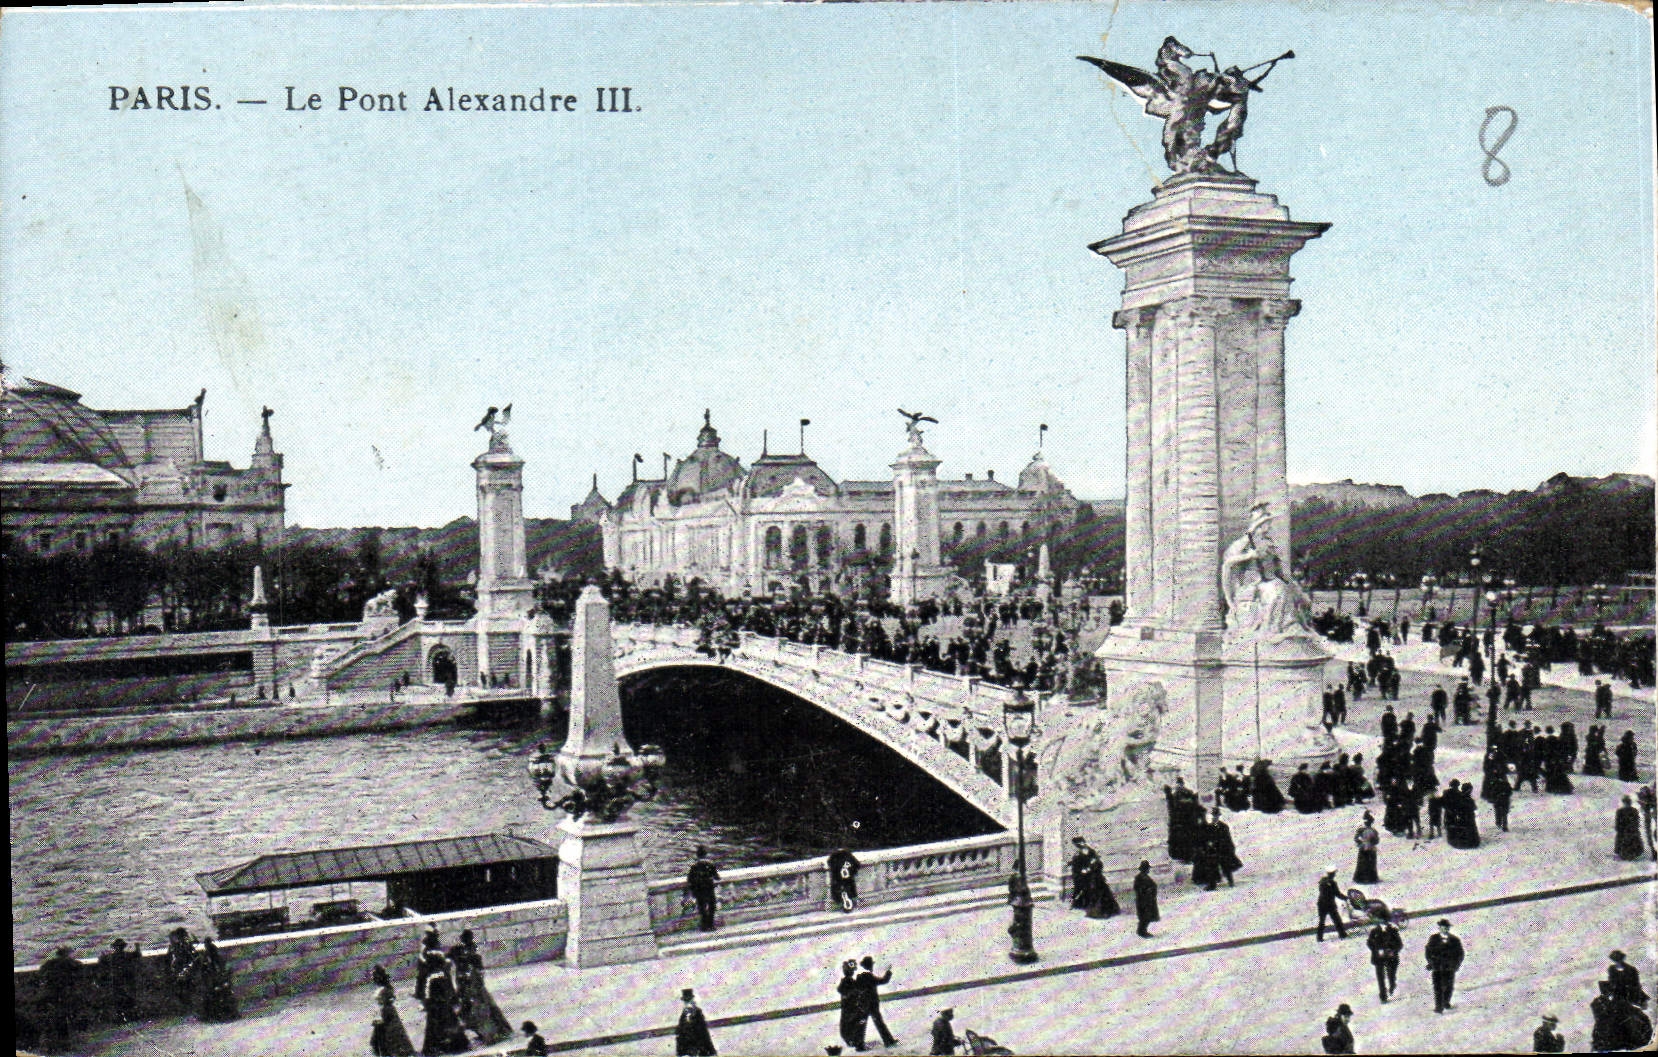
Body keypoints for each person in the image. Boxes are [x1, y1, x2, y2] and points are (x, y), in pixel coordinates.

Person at [451, 929, 513, 1045]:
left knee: (477, 1010)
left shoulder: (460, 953)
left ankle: (488, 1035)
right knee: (479, 1009)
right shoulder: (467, 955)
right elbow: (479, 973)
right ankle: (490, 1033)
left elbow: (477, 973)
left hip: (470, 987)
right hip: (471, 986)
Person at [418, 950, 471, 1055]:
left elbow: (430, 995)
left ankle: (439, 1047)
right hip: (445, 1006)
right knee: (451, 1024)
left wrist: (426, 1004)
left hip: (436, 1007)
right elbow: (449, 991)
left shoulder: (433, 978)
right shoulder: (443, 975)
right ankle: (457, 1045)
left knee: (436, 1027)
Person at [39, 946, 82, 1052]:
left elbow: (41, 972)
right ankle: (65, 1045)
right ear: (66, 954)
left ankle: (54, 1045)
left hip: (52, 994)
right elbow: (79, 966)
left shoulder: (50, 964)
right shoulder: (70, 963)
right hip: (65, 995)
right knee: (65, 1020)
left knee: (54, 1020)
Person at [370, 964, 417, 1057]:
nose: (373, 978)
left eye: (374, 976)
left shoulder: (384, 990)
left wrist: (380, 1020)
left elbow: (386, 1007)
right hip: (386, 1012)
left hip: (386, 1013)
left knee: (387, 1036)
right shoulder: (385, 988)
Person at [855, 956, 897, 1048]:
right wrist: (888, 972)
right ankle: (888, 1041)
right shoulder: (868, 976)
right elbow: (883, 981)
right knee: (879, 1023)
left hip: (863, 1004)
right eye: (871, 965)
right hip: (872, 1004)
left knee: (862, 1024)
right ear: (869, 966)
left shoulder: (859, 976)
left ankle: (859, 1045)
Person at [1425, 919, 1465, 1013]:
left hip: (1449, 968)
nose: (1445, 930)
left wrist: (1456, 965)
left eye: (1447, 928)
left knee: (1449, 986)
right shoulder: (1433, 939)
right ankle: (1438, 1007)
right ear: (1439, 928)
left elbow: (1460, 953)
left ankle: (1446, 1002)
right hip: (1437, 967)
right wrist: (1431, 962)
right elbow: (1428, 952)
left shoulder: (1455, 940)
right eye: (1443, 928)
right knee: (1437, 987)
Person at [98, 938, 141, 1025]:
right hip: (127, 980)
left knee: (119, 1000)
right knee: (128, 999)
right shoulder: (126, 955)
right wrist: (137, 946)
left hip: (117, 980)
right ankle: (130, 1016)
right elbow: (138, 954)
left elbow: (102, 960)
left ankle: (121, 1018)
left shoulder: (111, 957)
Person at [196, 938, 239, 1022]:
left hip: (217, 981)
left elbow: (218, 968)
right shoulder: (210, 957)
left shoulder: (211, 957)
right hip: (216, 981)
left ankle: (219, 1014)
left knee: (215, 995)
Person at [1368, 918, 1402, 1003]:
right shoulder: (1374, 932)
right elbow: (1369, 943)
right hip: (1379, 958)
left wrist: (1392, 950)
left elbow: (1399, 944)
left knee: (1391, 975)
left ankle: (1392, 985)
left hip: (1391, 958)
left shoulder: (1393, 931)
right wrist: (1375, 950)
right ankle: (1383, 996)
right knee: (1380, 978)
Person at [676, 988, 717, 1057]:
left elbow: (704, 1032)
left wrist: (711, 1050)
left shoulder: (697, 1013)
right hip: (688, 1050)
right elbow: (681, 1035)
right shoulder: (683, 1016)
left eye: (689, 1000)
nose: (687, 1003)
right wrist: (680, 1052)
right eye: (686, 1000)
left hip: (699, 1049)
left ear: (692, 1000)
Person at [687, 846, 721, 931]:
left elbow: (690, 879)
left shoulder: (694, 866)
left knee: (702, 907)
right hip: (709, 888)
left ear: (697, 855)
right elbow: (717, 877)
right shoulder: (710, 864)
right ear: (706, 854)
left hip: (699, 889)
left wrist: (692, 889)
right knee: (711, 906)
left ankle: (704, 925)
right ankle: (711, 924)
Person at [836, 960, 867, 1051]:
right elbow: (851, 992)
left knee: (851, 1026)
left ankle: (855, 1042)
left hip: (849, 1009)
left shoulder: (846, 981)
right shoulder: (848, 981)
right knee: (857, 1025)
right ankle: (858, 1044)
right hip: (852, 1009)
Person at [1209, 806, 1242, 888]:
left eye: (1216, 815)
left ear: (1218, 816)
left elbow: (1228, 838)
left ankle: (1231, 882)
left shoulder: (1224, 826)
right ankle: (1212, 884)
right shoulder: (1209, 826)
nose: (1215, 817)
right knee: (1212, 867)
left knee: (1226, 866)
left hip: (1223, 849)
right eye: (1214, 815)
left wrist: (1230, 848)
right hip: (1213, 849)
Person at [1317, 867, 1347, 942]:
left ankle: (1319, 937)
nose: (1334, 875)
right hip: (1329, 905)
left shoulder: (1323, 882)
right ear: (1332, 874)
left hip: (1321, 904)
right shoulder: (1331, 883)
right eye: (1333, 873)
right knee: (1337, 920)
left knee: (1322, 921)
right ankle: (1342, 934)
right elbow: (1337, 894)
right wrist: (1345, 898)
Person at [828, 847, 862, 913]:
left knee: (841, 891)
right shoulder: (848, 855)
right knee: (848, 891)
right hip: (848, 879)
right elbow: (857, 865)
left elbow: (831, 865)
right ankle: (848, 902)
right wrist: (851, 871)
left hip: (839, 879)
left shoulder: (834, 856)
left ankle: (843, 903)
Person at [1133, 860, 1160, 938]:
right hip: (1144, 901)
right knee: (1145, 916)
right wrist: (1147, 891)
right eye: (1147, 868)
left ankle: (1142, 930)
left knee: (1146, 916)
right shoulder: (1140, 877)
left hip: (1147, 900)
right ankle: (1141, 931)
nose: (1148, 870)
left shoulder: (1143, 877)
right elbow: (1138, 889)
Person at [1615, 796, 1646, 860]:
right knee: (1632, 841)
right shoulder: (1634, 810)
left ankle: (1626, 854)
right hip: (1631, 830)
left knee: (1624, 841)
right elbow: (1637, 821)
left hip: (1625, 830)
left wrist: (1619, 828)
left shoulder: (1620, 811)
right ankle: (1631, 854)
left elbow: (1618, 822)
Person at [1353, 813, 1381, 884]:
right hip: (1370, 848)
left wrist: (1361, 843)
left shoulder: (1362, 830)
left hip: (1365, 848)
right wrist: (1371, 842)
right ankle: (1370, 877)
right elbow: (1377, 840)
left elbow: (1356, 838)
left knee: (1364, 863)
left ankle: (1362, 878)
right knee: (1369, 862)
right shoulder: (1373, 830)